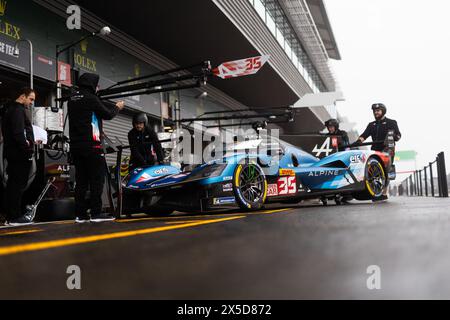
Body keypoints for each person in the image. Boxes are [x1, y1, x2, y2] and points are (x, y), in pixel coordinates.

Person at [68, 73, 125, 223]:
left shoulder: (72, 99)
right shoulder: (91, 99)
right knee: (96, 180)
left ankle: (80, 214)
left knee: (81, 181)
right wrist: (117, 107)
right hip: (92, 146)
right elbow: (107, 114)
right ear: (92, 84)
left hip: (76, 146)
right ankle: (96, 213)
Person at [1, 88, 36, 226]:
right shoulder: (17, 110)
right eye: (31, 99)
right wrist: (26, 147)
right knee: (17, 185)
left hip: (13, 152)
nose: (32, 102)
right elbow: (18, 133)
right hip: (19, 153)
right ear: (22, 96)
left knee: (13, 185)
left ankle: (11, 216)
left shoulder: (9, 110)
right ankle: (14, 217)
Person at [358, 103, 402, 201]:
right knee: (374, 172)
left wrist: (394, 136)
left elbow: (398, 135)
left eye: (378, 111)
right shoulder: (371, 125)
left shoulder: (391, 122)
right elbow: (364, 135)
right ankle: (375, 191)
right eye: (374, 111)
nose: (376, 112)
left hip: (387, 149)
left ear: (383, 111)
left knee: (386, 170)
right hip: (375, 150)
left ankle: (384, 193)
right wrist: (358, 141)